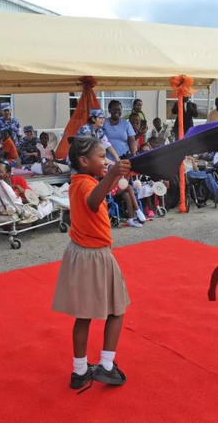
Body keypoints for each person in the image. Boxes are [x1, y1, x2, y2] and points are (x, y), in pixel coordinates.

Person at [51, 137, 131, 390]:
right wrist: (113, 175)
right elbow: (93, 200)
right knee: (116, 310)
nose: (106, 161)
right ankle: (106, 365)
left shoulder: (77, 181)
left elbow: (98, 194)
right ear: (84, 161)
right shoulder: (87, 185)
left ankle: (79, 370)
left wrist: (115, 177)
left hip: (80, 253)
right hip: (96, 255)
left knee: (83, 316)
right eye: (101, 156)